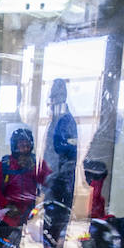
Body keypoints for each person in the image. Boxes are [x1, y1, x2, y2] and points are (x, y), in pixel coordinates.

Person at [0, 126, 48, 227]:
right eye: (21, 144)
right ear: (15, 145)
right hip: (8, 214)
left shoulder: (36, 163)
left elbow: (48, 182)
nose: (25, 148)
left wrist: (36, 171)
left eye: (27, 144)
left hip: (30, 213)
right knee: (8, 238)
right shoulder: (5, 164)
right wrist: (6, 206)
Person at [45, 78, 78, 207]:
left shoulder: (66, 120)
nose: (52, 99)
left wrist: (58, 179)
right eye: (52, 95)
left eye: (55, 95)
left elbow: (68, 152)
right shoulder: (55, 120)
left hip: (60, 180)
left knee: (58, 214)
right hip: (52, 178)